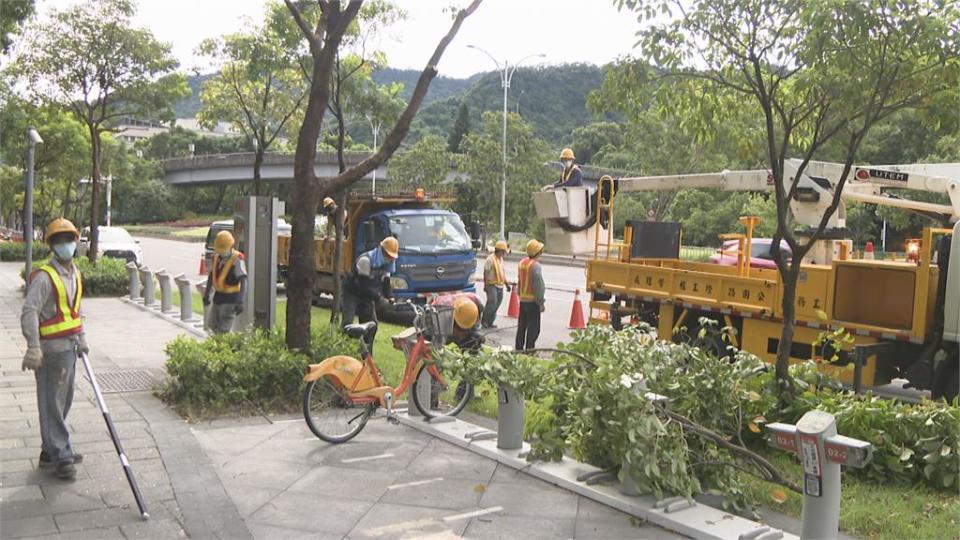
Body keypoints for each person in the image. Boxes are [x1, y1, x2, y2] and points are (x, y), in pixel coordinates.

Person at [20, 218, 88, 480]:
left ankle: (50, 451)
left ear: (75, 241)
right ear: (51, 245)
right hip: (49, 352)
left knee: (62, 402)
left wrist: (82, 337)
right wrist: (33, 347)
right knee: (52, 404)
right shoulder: (44, 278)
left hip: (69, 349)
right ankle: (61, 454)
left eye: (68, 239)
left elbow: (77, 310)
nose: (65, 245)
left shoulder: (75, 273)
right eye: (58, 241)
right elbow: (30, 311)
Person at [342, 237, 399, 352]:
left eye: (391, 257)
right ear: (381, 250)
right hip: (352, 292)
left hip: (367, 294)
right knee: (347, 324)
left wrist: (390, 297)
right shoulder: (365, 261)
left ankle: (367, 354)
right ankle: (343, 350)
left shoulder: (387, 264)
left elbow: (386, 284)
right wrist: (379, 299)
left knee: (372, 325)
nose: (389, 259)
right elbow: (364, 286)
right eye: (388, 256)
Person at [203, 230, 247, 334]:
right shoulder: (216, 258)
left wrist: (240, 301)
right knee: (213, 327)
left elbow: (244, 281)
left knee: (224, 330)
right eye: (220, 250)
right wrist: (207, 294)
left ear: (231, 246)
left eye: (224, 250)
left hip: (230, 300)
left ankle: (225, 348)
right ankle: (217, 348)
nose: (222, 252)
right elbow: (211, 276)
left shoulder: (237, 260)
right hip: (218, 298)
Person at [515, 239, 546, 351]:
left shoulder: (522, 263)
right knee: (533, 329)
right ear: (538, 252)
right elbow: (539, 286)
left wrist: (520, 294)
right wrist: (541, 302)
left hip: (523, 301)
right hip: (533, 302)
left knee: (522, 327)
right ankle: (529, 350)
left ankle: (518, 349)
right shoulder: (536, 266)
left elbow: (519, 280)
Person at [481, 240, 510, 328]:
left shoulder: (501, 260)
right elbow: (486, 272)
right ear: (500, 251)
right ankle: (484, 321)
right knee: (492, 302)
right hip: (491, 285)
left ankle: (490, 322)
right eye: (504, 251)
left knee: (497, 304)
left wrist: (507, 284)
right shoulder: (490, 259)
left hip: (500, 285)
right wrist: (485, 285)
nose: (505, 253)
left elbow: (502, 274)